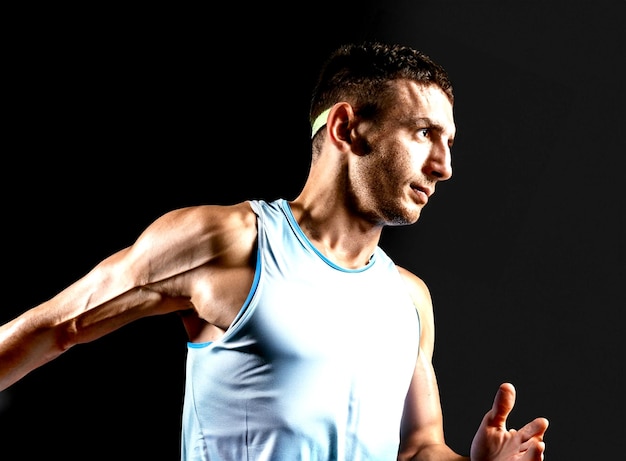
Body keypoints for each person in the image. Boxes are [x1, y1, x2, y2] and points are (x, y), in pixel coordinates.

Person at [0, 41, 548, 460]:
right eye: (424, 133)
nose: (445, 166)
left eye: (449, 142)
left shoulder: (409, 300)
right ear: (345, 129)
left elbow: (420, 446)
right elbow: (54, 327)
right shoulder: (232, 244)